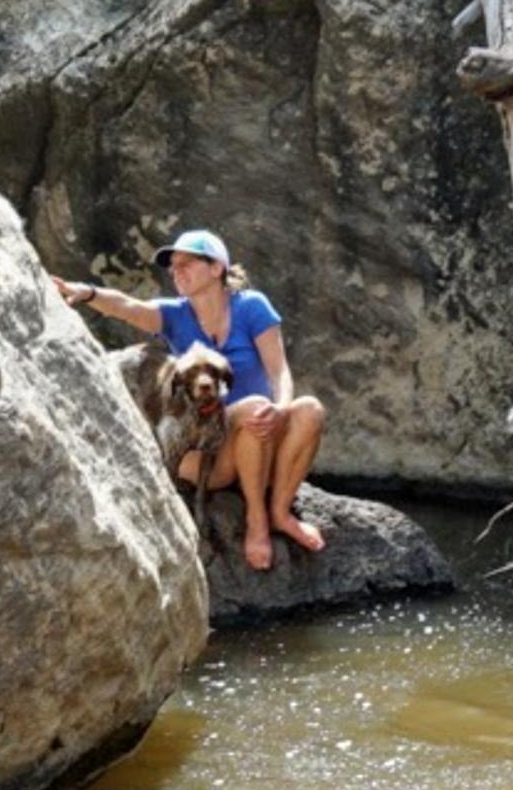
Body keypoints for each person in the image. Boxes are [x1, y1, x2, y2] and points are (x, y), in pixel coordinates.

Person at [50, 229, 330, 570]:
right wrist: (87, 293)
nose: (176, 270)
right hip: (211, 454)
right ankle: (256, 522)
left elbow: (278, 372)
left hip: (262, 435)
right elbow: (127, 307)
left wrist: (281, 408)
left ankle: (279, 513)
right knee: (252, 410)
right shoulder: (174, 315)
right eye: (173, 266)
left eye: (187, 263)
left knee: (309, 409)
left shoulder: (252, 307)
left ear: (217, 269)